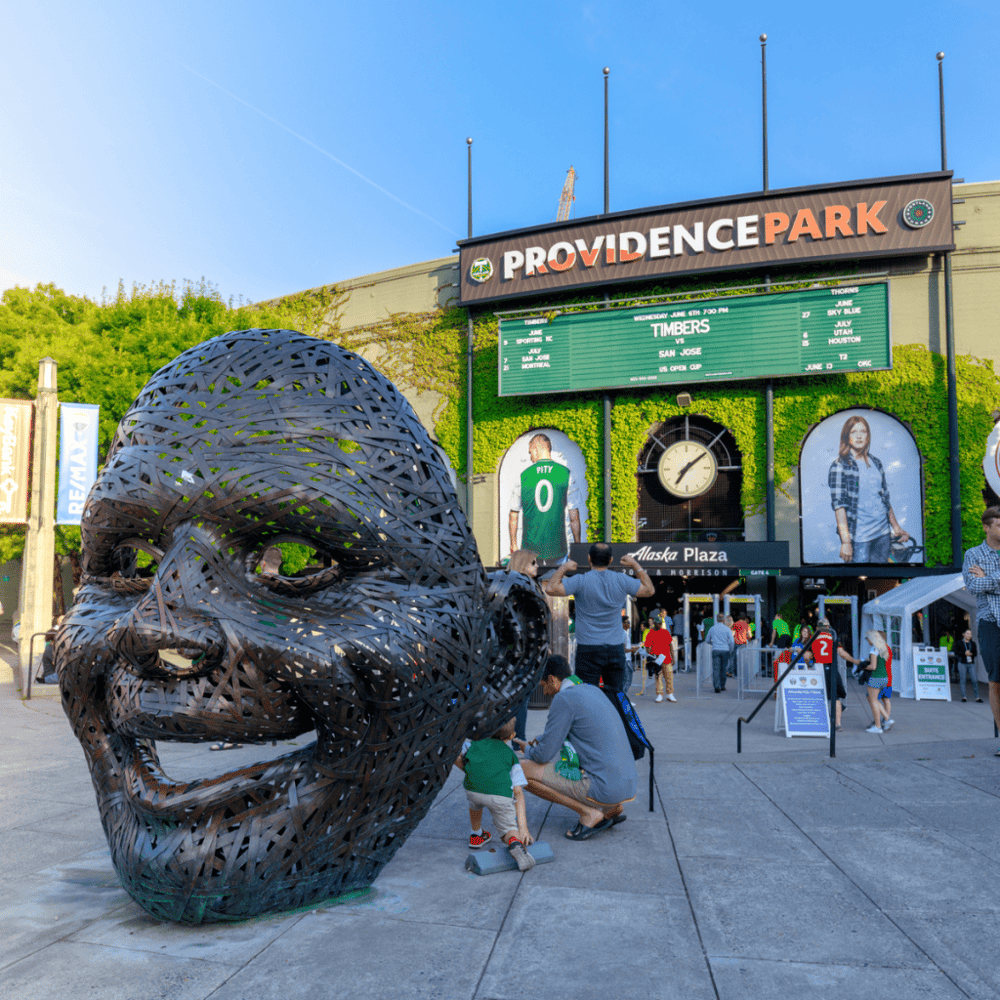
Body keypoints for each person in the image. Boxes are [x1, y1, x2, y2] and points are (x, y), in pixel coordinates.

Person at [518, 655, 637, 840]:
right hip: (627, 784)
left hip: (604, 787)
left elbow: (543, 756)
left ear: (552, 680)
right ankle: (611, 807)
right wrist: (542, 739)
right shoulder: (590, 689)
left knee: (520, 770)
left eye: (543, 685)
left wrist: (527, 750)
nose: (545, 692)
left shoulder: (563, 699)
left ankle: (588, 813)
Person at [543, 542, 654, 693]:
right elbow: (649, 590)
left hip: (588, 648)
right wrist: (635, 565)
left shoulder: (580, 581)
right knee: (616, 695)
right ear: (610, 560)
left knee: (588, 696)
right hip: (615, 648)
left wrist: (564, 567)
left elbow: (550, 588)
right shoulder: (621, 580)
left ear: (589, 559)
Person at [455, 718, 535, 871]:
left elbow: (455, 756)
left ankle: (476, 835)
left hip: (473, 791)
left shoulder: (474, 744)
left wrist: (472, 772)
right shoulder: (510, 755)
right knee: (508, 830)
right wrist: (523, 828)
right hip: (500, 797)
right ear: (512, 736)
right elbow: (518, 793)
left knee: (475, 803)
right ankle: (514, 843)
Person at [828, 414, 910, 563]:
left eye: (863, 431)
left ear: (868, 435)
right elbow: (839, 507)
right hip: (860, 538)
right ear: (847, 436)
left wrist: (896, 527)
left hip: (883, 534)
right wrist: (846, 542)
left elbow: (884, 498)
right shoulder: (839, 466)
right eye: (854, 432)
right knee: (859, 581)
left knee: (879, 581)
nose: (859, 436)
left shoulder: (876, 462)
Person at [508, 433, 582, 562]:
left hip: (529, 549)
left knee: (530, 582)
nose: (530, 457)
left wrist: (513, 544)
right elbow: (574, 516)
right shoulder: (566, 474)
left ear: (536, 449)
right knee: (556, 581)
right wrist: (576, 545)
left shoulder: (523, 476)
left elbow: (513, 514)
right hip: (557, 548)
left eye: (530, 452)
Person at [962, 507, 1000, 752]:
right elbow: (973, 586)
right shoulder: (973, 554)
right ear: (986, 527)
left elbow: (983, 583)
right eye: (999, 525)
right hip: (991, 624)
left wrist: (990, 578)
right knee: (996, 682)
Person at [508, 549, 542, 744]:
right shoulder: (523, 588)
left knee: (516, 700)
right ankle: (518, 741)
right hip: (521, 653)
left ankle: (514, 740)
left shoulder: (512, 587)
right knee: (520, 701)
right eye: (533, 563)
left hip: (515, 653)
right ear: (522, 565)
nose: (537, 566)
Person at [840, 629, 894, 733]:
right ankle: (886, 719)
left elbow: (873, 666)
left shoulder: (874, 649)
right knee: (874, 699)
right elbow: (880, 662)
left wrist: (862, 667)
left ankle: (878, 726)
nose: (866, 640)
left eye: (867, 638)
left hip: (875, 677)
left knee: (874, 701)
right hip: (884, 677)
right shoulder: (884, 648)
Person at [643, 617, 676, 703]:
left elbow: (670, 645)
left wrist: (673, 657)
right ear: (654, 623)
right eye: (658, 623)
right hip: (657, 659)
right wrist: (653, 655)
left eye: (661, 623)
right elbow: (647, 647)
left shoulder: (665, 632)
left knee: (669, 676)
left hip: (666, 658)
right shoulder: (650, 633)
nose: (660, 625)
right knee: (658, 677)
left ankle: (670, 694)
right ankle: (659, 694)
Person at [706, 613, 735, 693]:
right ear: (724, 620)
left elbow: (707, 640)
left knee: (716, 669)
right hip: (725, 650)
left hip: (716, 650)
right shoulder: (727, 629)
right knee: (723, 668)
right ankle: (722, 685)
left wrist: (714, 644)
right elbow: (732, 641)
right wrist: (730, 649)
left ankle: (716, 686)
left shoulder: (712, 628)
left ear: (716, 619)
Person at [956, 628, 982, 703]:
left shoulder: (973, 643)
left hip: (971, 663)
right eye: (967, 634)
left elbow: (976, 653)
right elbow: (956, 652)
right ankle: (964, 696)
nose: (969, 635)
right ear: (963, 634)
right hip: (962, 663)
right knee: (963, 680)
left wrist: (971, 654)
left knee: (974, 679)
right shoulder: (959, 643)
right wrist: (964, 653)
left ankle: (977, 697)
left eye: (970, 634)